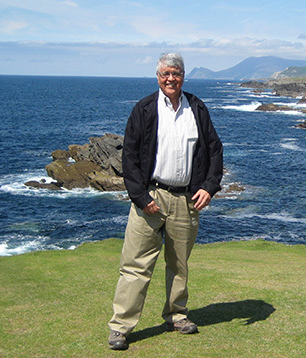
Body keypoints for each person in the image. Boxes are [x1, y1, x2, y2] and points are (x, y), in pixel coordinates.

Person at [107, 52, 223, 350]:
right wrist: (141, 196)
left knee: (179, 264)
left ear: (183, 76)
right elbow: (129, 157)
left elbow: (214, 150)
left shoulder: (196, 108)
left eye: (176, 73)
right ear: (157, 76)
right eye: (165, 74)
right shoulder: (144, 109)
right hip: (151, 198)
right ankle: (120, 327)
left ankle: (176, 315)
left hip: (186, 199)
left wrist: (210, 187)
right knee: (136, 264)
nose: (171, 78)